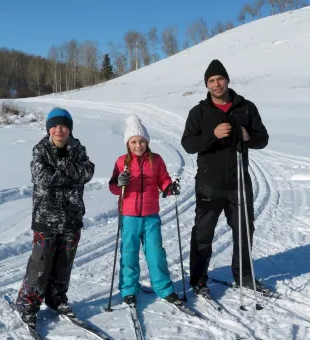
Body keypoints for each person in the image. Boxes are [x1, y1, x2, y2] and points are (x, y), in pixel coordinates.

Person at [181, 59, 269, 298]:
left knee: (244, 229)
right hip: (209, 184)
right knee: (203, 233)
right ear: (207, 85)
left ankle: (244, 275)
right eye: (211, 81)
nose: (216, 84)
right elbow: (188, 144)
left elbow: (263, 139)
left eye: (219, 79)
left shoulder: (246, 108)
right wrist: (212, 135)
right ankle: (199, 280)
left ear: (227, 80)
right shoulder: (199, 112)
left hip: (239, 181)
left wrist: (249, 136)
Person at [16, 107, 95, 327]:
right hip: (46, 218)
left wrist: (62, 173)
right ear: (49, 129)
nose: (59, 130)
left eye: (63, 126)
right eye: (55, 126)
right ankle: (28, 304)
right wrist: (71, 173)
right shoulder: (40, 150)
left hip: (72, 217)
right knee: (41, 264)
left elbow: (87, 172)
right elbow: (41, 176)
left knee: (64, 263)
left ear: (69, 129)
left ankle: (56, 298)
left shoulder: (79, 149)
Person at [109, 114, 181, 306]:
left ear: (147, 142)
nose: (138, 145)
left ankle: (164, 288)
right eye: (134, 142)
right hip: (129, 216)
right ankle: (129, 289)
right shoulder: (121, 162)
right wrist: (119, 182)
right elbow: (113, 187)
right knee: (129, 253)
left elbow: (163, 179)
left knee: (156, 253)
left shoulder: (156, 160)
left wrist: (169, 187)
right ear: (128, 143)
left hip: (150, 216)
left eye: (141, 141)